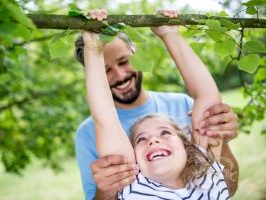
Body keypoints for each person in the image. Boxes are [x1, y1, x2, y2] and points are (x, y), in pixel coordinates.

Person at [75, 9, 239, 200]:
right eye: (140, 139)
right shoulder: (134, 184)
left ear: (188, 148)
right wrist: (93, 51)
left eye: (165, 133)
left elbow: (208, 98)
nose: (153, 141)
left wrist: (171, 35)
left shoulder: (206, 176)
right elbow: (106, 121)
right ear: (134, 158)